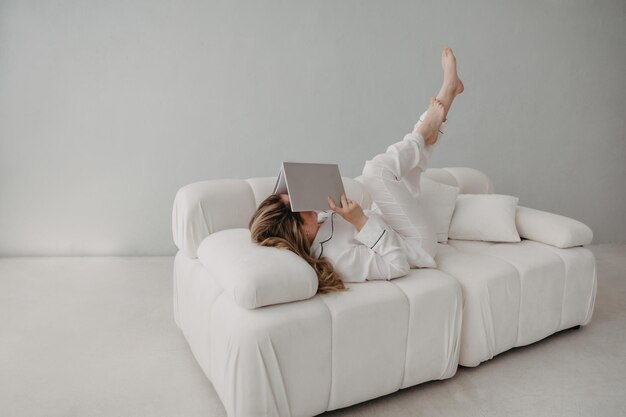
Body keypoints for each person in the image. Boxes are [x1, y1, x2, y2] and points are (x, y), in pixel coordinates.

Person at [249, 47, 464, 293]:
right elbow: (397, 264)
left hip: (392, 222)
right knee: (375, 172)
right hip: (416, 245)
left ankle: (442, 105)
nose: (307, 205)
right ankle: (434, 117)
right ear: (296, 230)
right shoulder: (337, 259)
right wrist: (360, 220)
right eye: (299, 207)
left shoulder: (318, 224)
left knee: (399, 169)